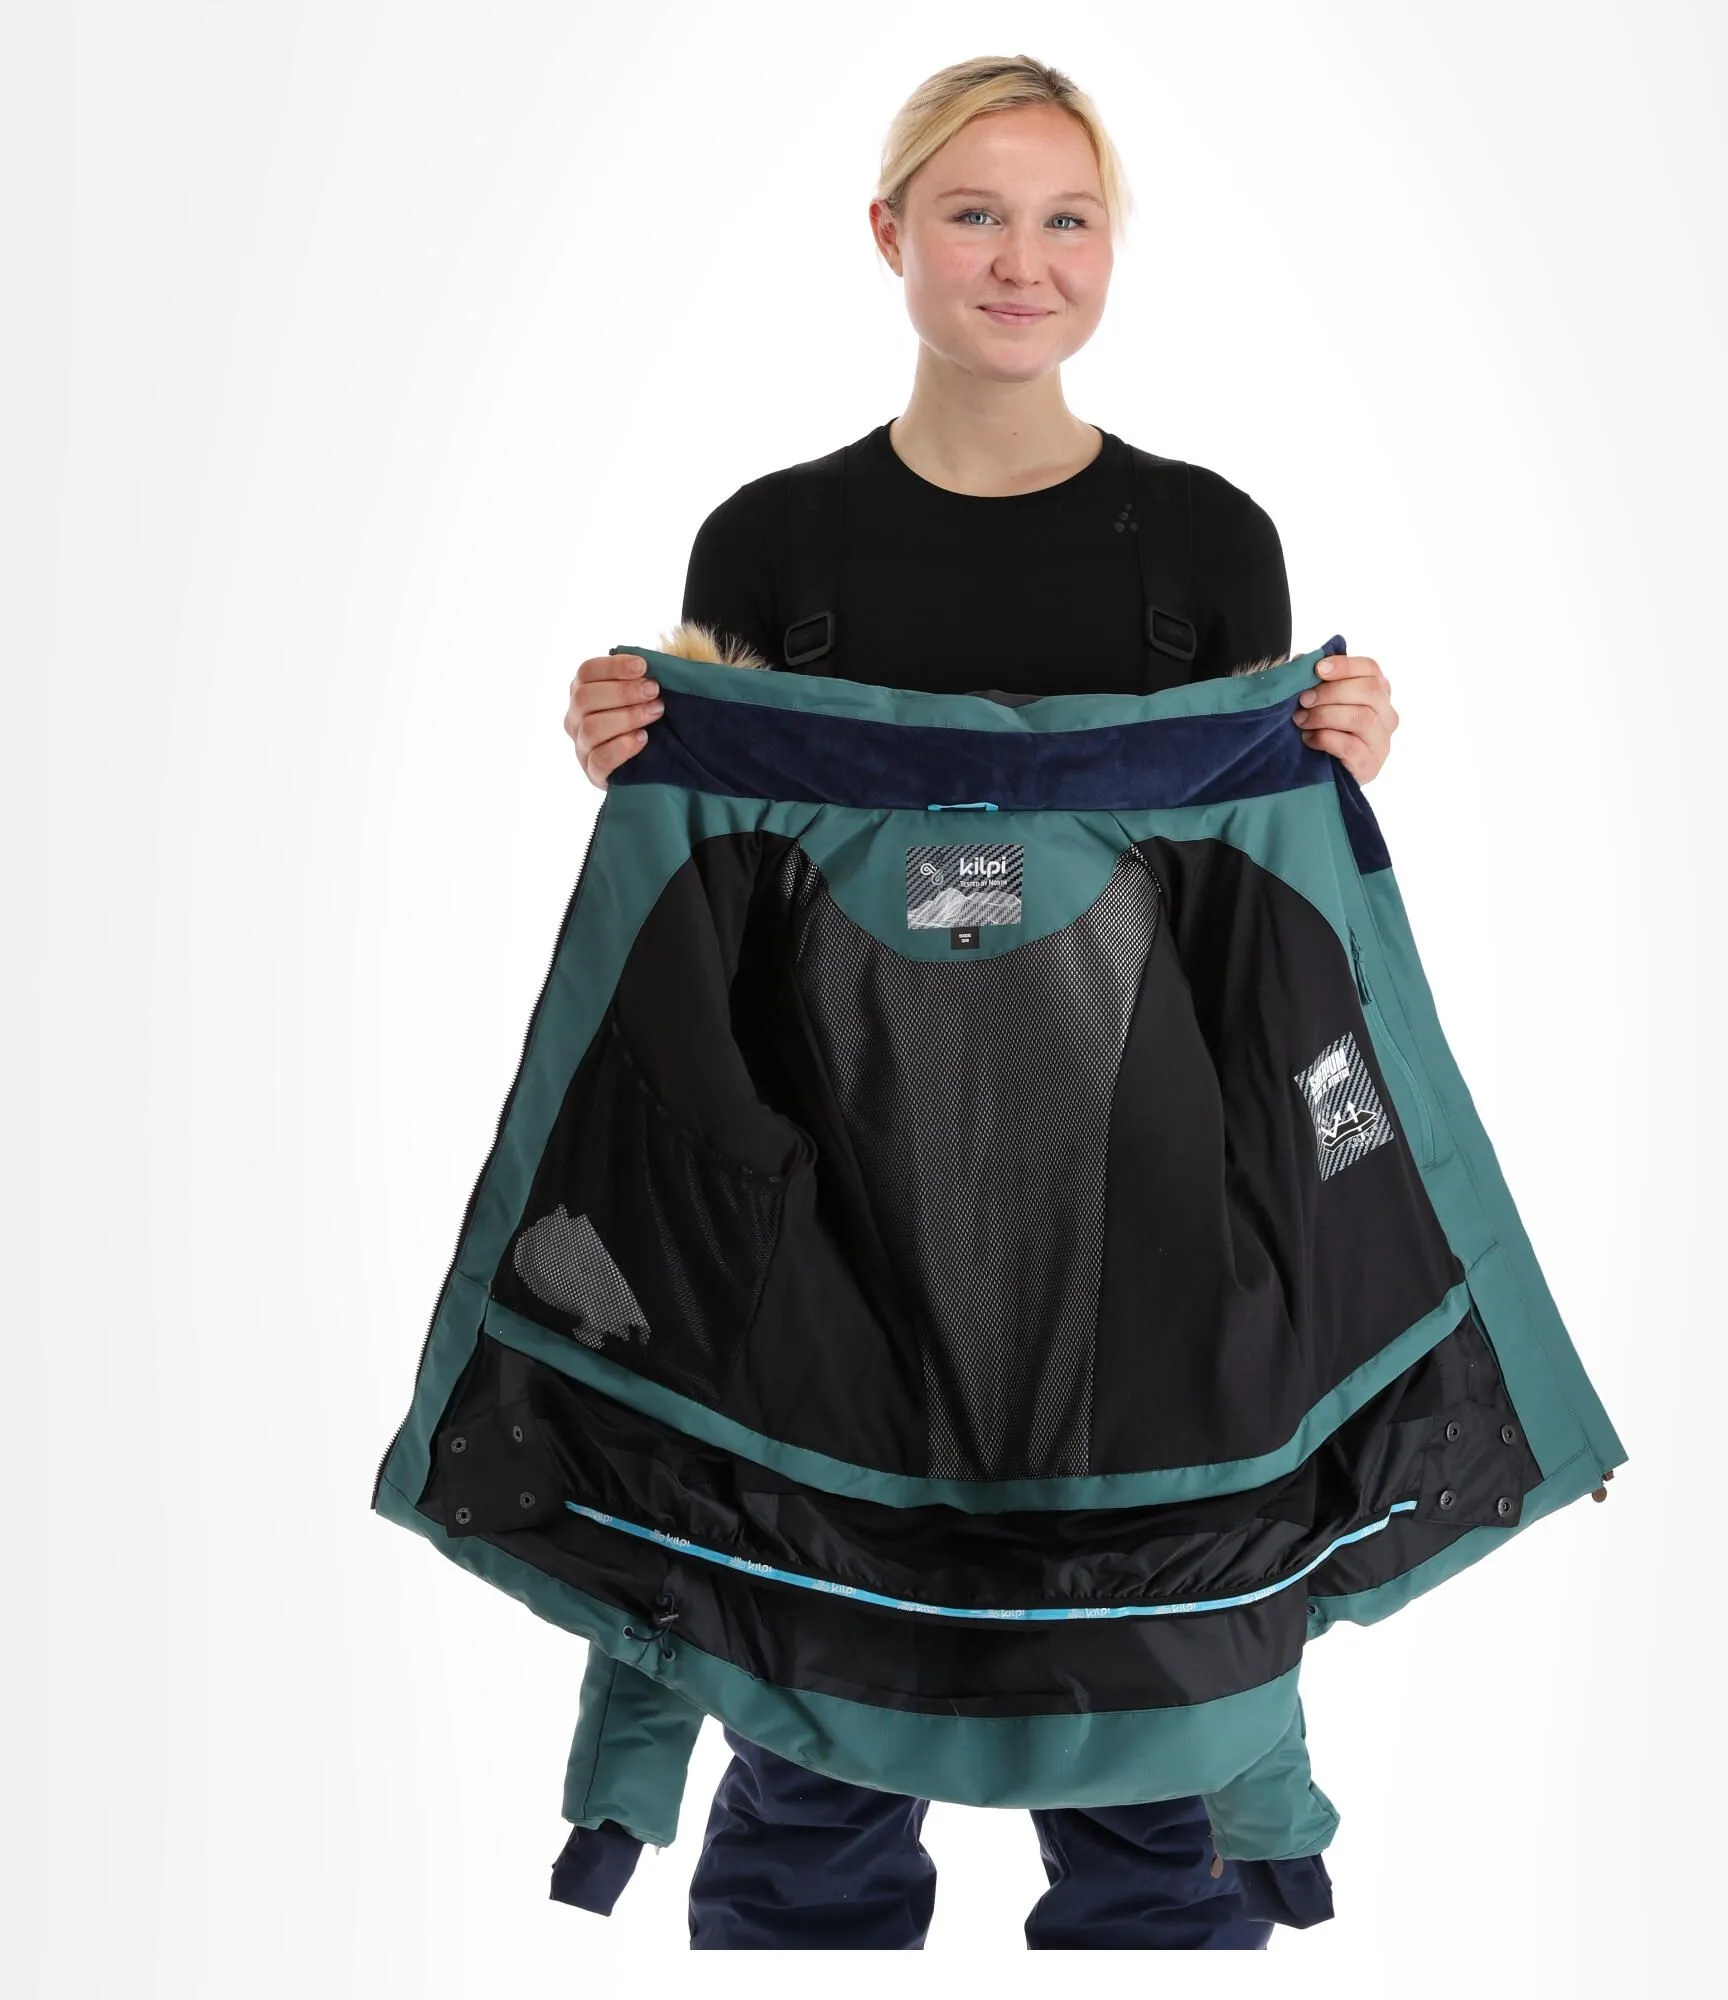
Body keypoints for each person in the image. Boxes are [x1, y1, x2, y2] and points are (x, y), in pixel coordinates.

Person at [553, 54, 1398, 1952]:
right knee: (817, 1709)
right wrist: (633, 753)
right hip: (838, 1217)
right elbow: (722, 894)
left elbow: (1245, 905)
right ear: (891, 236)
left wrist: (1335, 761)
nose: (1025, 261)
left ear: (1113, 247)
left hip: (1141, 1219)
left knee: (1156, 1723)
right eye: (976, 214)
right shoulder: (774, 544)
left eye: (1066, 218)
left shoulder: (1207, 544)